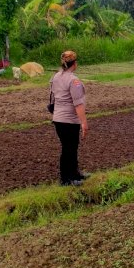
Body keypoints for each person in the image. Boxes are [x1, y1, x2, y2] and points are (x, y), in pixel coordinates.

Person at [49, 50, 89, 186]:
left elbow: (53, 96)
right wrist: (84, 123)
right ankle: (66, 179)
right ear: (74, 63)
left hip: (58, 119)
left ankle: (75, 174)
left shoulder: (56, 77)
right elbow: (78, 103)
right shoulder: (73, 80)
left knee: (71, 147)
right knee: (69, 148)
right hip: (69, 120)